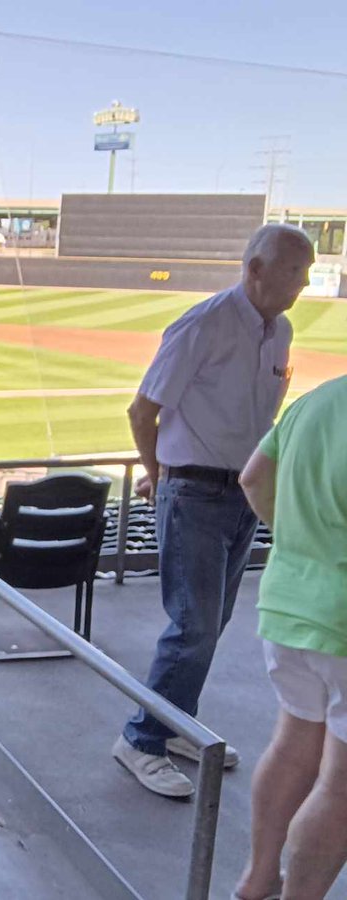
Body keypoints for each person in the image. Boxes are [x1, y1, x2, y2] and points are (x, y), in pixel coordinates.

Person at [112, 223, 316, 798]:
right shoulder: (203, 324)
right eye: (296, 270)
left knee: (211, 624)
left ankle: (175, 722)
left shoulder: (281, 332)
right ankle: (141, 740)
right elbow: (141, 410)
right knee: (193, 625)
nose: (305, 281)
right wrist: (158, 475)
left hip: (242, 492)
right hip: (194, 493)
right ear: (255, 268)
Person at [233, 374, 347, 900]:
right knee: (340, 786)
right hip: (341, 623)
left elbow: (254, 479)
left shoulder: (315, 401)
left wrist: (301, 544)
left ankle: (257, 882)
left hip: (288, 605)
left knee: (295, 742)